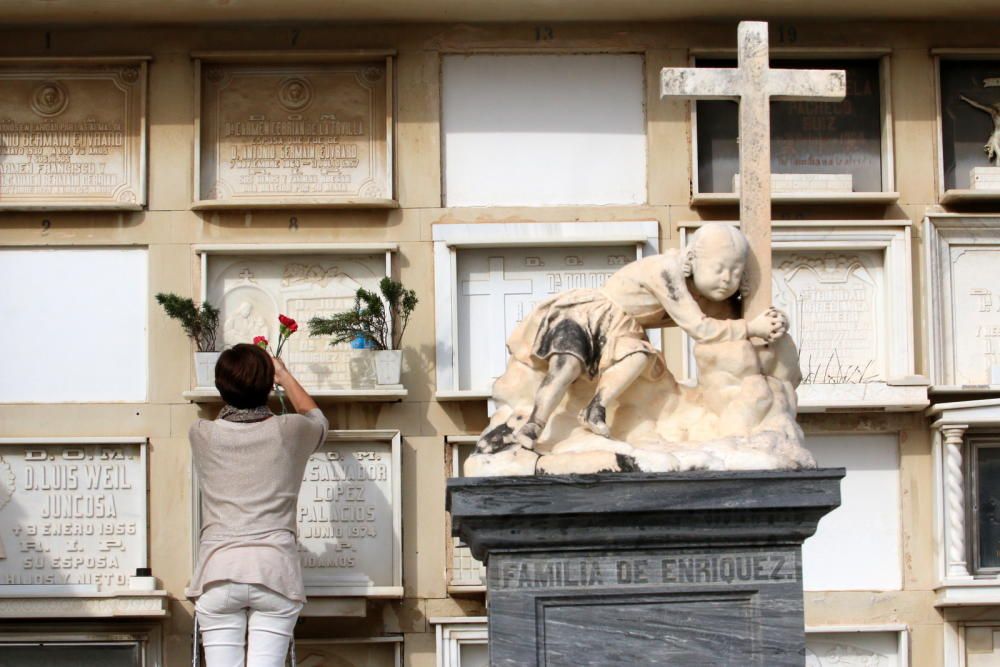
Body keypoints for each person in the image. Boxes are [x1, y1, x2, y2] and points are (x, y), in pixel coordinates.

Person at [490, 223, 787, 452]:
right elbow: (700, 328)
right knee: (567, 365)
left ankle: (596, 409)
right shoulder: (667, 272)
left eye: (735, 273)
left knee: (637, 356)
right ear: (693, 258)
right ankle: (535, 424)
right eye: (719, 268)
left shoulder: (701, 291)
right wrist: (752, 328)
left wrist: (759, 314)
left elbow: (722, 322)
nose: (727, 279)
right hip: (592, 313)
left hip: (624, 327)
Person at [186, 343, 329, 667]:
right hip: (274, 572)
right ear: (267, 386)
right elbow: (318, 420)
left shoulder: (200, 434)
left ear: (220, 386)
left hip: (217, 572)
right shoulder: (289, 430)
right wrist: (284, 375)